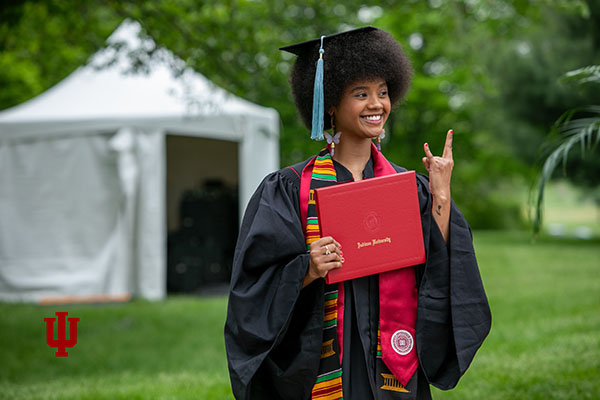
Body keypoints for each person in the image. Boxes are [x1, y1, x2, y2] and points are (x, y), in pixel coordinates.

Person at [224, 26, 491, 400]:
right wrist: (308, 268)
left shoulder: (408, 185)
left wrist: (440, 195)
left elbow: (440, 265)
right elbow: (254, 283)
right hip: (324, 353)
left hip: (394, 353)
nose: (376, 104)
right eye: (360, 94)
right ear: (330, 103)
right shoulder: (290, 188)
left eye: (383, 92)